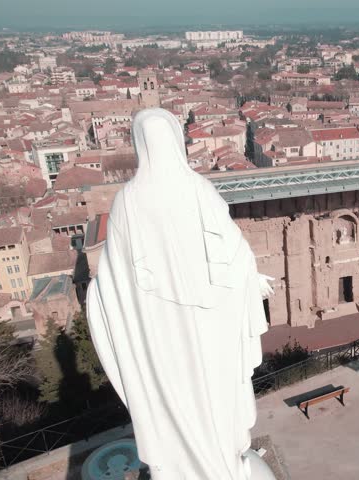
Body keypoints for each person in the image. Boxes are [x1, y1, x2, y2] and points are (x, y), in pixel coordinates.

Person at [87, 108, 274, 479]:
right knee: (218, 401)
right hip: (212, 329)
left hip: (161, 336)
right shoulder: (199, 190)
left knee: (174, 402)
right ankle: (224, 466)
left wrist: (99, 299)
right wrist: (251, 281)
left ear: (140, 145)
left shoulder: (128, 202)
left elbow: (114, 281)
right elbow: (235, 254)